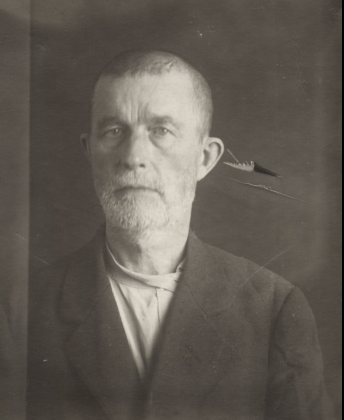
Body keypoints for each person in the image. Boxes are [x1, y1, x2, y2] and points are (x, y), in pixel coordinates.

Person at [27, 50, 333, 420]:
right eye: (114, 131)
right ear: (90, 151)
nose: (134, 156)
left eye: (161, 131)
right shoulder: (22, 311)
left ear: (205, 158)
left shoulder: (274, 310)